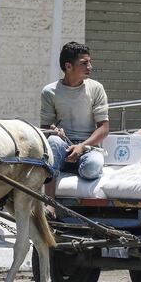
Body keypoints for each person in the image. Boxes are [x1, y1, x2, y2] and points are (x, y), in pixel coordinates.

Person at [41, 41, 109, 186]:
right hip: (62, 146)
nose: (90, 67)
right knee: (53, 142)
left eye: (90, 62)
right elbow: (45, 127)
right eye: (84, 63)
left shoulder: (96, 88)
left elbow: (103, 128)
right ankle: (49, 206)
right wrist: (53, 131)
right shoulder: (49, 91)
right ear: (68, 66)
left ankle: (65, 166)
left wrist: (81, 147)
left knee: (92, 167)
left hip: (89, 148)